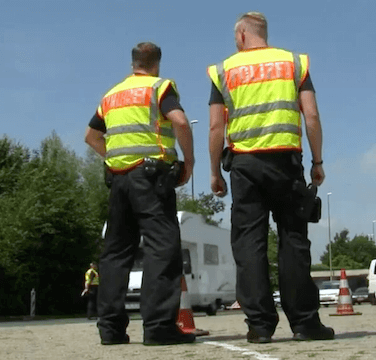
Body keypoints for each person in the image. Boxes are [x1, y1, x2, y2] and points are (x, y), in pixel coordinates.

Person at [207, 12, 333, 343]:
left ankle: (260, 326)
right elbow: (312, 115)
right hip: (286, 162)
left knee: (249, 243)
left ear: (242, 34)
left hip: (245, 166)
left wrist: (212, 172)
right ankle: (305, 324)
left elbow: (216, 127)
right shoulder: (293, 63)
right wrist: (317, 162)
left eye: (236, 36)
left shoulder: (224, 70)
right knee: (293, 239)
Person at [84, 42, 195, 346]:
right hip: (151, 179)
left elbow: (91, 136)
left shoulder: (111, 95)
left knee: (116, 252)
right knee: (162, 247)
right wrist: (189, 162)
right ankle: (159, 327)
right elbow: (181, 122)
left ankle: (110, 329)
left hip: (119, 181)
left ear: (133, 63)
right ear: (156, 63)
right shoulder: (159, 87)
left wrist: (114, 158)